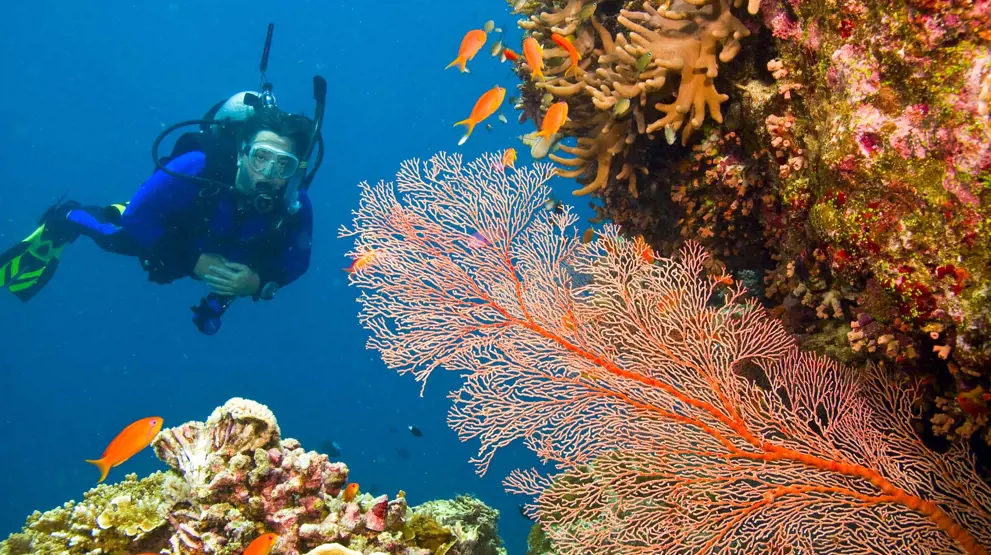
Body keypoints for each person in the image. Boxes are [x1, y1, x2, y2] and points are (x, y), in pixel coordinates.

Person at [0, 83, 326, 334]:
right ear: (242, 152)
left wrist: (256, 283)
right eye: (260, 157)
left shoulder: (294, 203)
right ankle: (66, 218)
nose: (268, 175)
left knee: (258, 250)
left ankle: (217, 298)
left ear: (296, 171)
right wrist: (193, 261)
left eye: (283, 165)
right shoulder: (198, 166)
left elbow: (296, 262)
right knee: (116, 234)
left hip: (228, 248)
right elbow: (137, 218)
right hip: (172, 233)